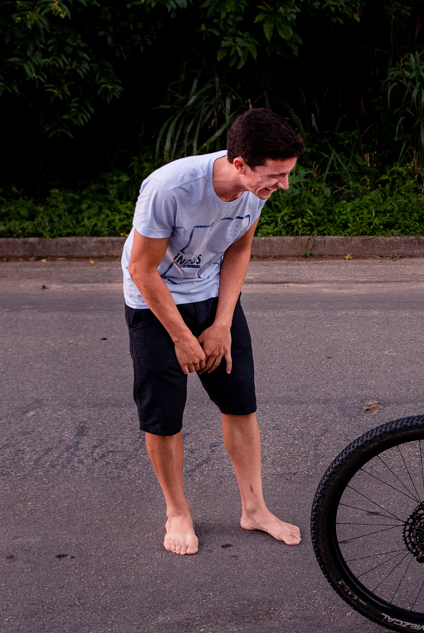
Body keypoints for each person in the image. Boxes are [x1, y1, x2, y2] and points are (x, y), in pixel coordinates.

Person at [122, 108, 306, 556]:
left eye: (287, 175)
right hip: (154, 301)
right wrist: (183, 337)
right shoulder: (169, 188)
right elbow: (142, 269)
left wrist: (221, 324)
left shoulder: (254, 190)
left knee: (240, 402)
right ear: (240, 164)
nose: (282, 185)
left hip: (211, 296)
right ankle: (177, 511)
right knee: (164, 416)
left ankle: (254, 508)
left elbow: (239, 249)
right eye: (275, 176)